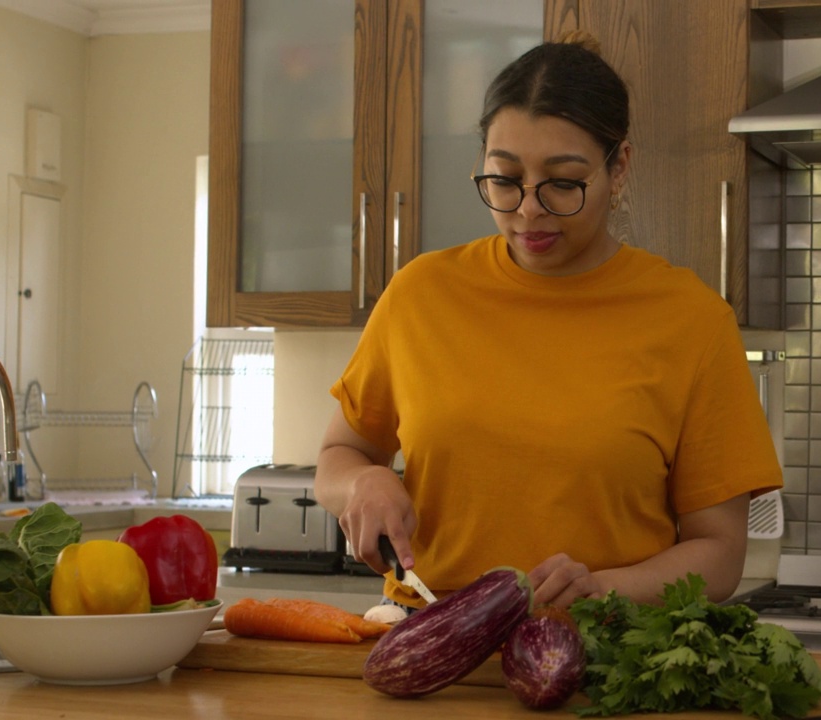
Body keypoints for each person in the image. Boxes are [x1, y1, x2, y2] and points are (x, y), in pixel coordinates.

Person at [314, 32, 781, 610]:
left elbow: (719, 554)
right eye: (505, 180)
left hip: (606, 661)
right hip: (431, 647)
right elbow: (337, 456)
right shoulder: (419, 294)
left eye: (563, 182)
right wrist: (362, 482)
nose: (529, 209)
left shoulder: (693, 321)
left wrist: (603, 592)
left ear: (620, 166)